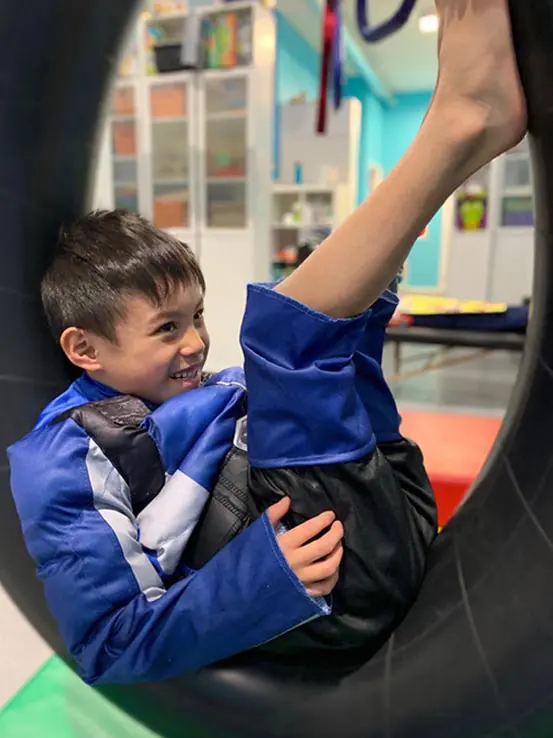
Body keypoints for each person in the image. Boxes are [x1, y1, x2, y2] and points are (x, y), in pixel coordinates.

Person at [7, 0, 527, 684]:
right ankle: (463, 120)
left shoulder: (184, 395)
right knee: (284, 337)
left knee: (329, 337)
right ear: (84, 349)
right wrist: (265, 578)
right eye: (167, 328)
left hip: (376, 509)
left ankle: (445, 151)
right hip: (322, 588)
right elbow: (105, 643)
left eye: (195, 316)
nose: (194, 342)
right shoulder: (62, 457)